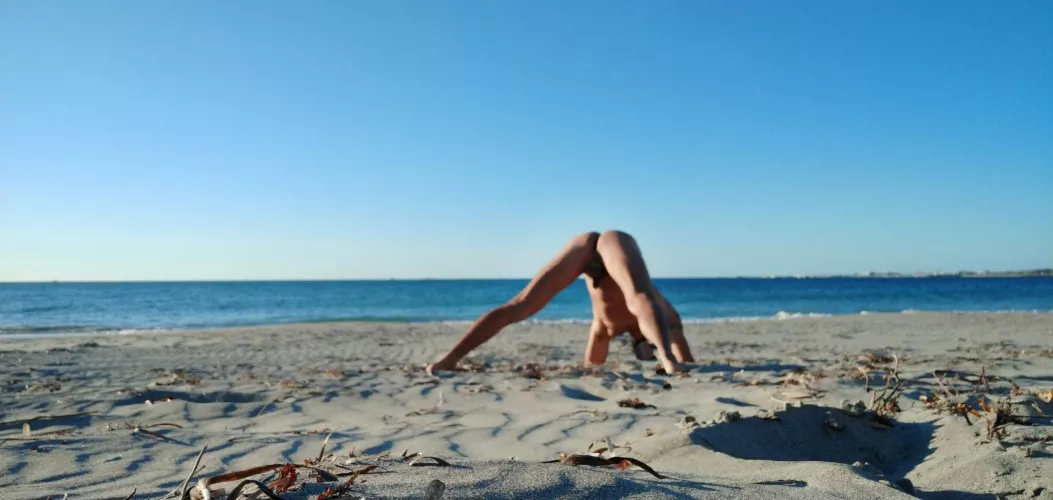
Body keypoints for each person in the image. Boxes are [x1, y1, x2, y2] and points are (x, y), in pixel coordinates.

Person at [426, 230, 695, 375]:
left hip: (584, 247)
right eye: (648, 352)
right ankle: (449, 357)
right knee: (639, 294)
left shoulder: (605, 328)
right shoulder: (666, 317)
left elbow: (592, 367)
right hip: (614, 241)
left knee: (520, 305)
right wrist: (671, 358)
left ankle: (449, 359)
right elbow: (686, 356)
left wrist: (592, 372)